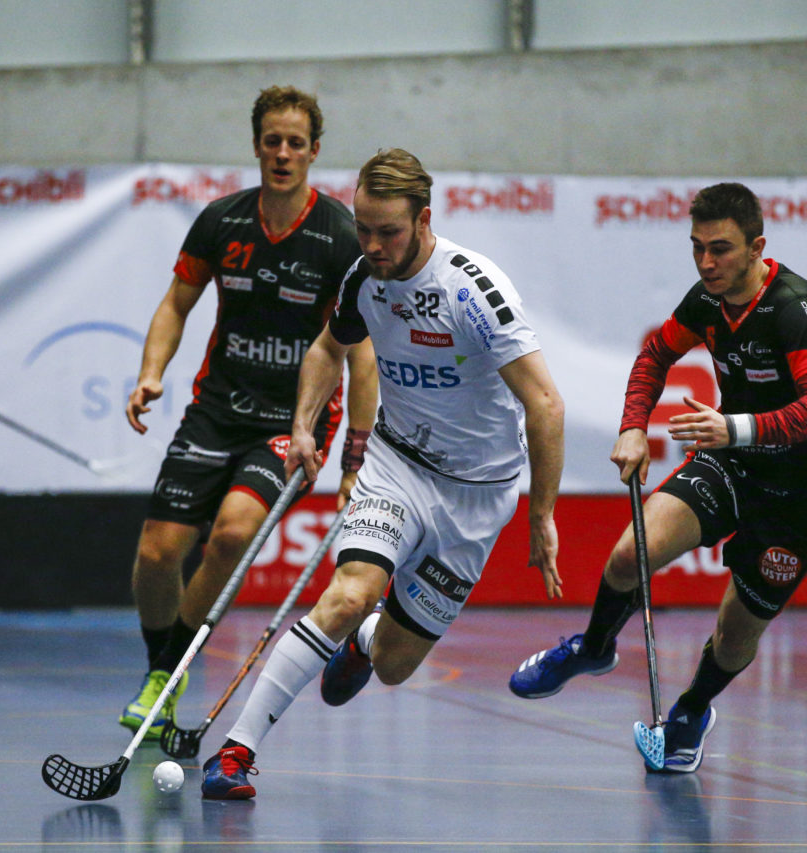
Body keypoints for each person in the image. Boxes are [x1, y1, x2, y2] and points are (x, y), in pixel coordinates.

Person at [200, 148, 566, 799]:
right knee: (348, 592)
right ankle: (235, 750)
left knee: (396, 665)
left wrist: (541, 514)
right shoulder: (362, 278)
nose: (372, 245)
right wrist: (307, 425)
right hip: (396, 466)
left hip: (476, 497)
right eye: (363, 228)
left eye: (387, 231)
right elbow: (327, 348)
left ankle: (367, 643)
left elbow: (544, 404)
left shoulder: (474, 290)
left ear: (424, 219)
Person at [509, 182, 807, 774]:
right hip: (732, 463)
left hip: (799, 494)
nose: (706, 262)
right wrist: (634, 426)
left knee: (736, 633)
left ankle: (690, 713)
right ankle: (592, 649)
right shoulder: (707, 300)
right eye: (697, 247)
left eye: (720, 249)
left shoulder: (797, 309)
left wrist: (735, 428)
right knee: (627, 556)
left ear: (756, 247)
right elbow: (655, 356)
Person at [119, 86, 378, 742]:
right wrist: (151, 373)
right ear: (257, 145)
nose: (283, 153)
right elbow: (176, 304)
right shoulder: (222, 221)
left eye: (296, 142)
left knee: (232, 534)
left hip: (292, 424)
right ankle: (162, 669)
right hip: (215, 411)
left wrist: (353, 454)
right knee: (157, 552)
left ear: (315, 151)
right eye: (272, 141)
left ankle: (171, 670)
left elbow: (362, 354)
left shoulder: (340, 235)